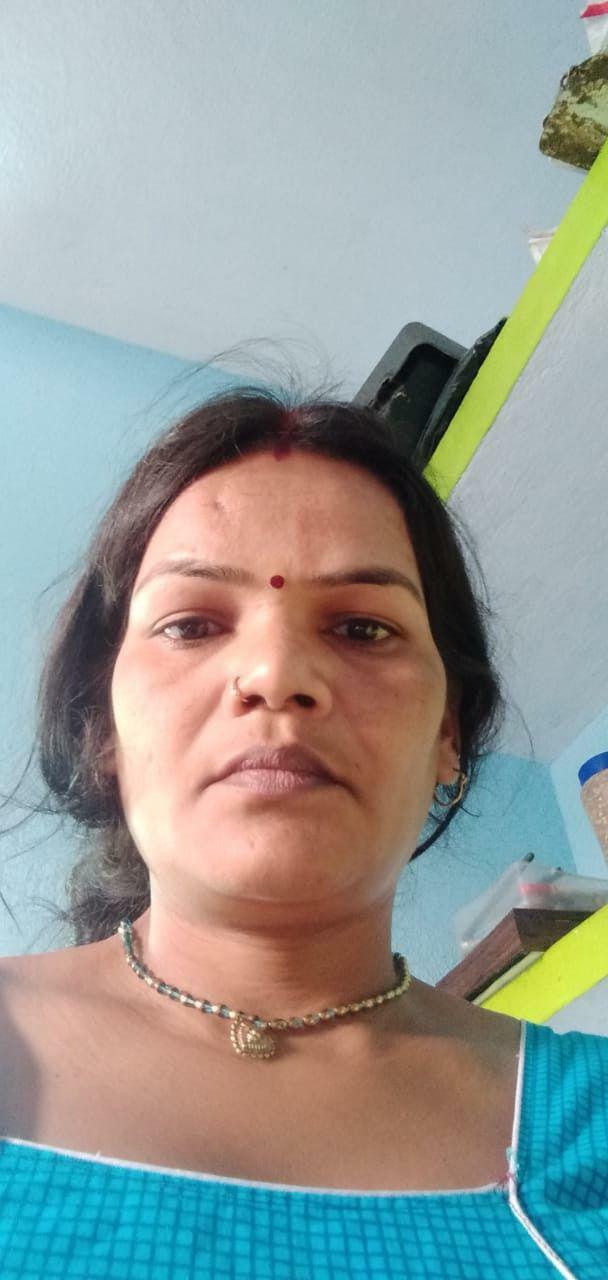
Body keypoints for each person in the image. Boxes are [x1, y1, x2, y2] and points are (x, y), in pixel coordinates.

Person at [0, 387, 606, 1277]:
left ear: (449, 732)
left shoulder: (592, 1122)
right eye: (191, 624)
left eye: (363, 627)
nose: (277, 673)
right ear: (103, 726)